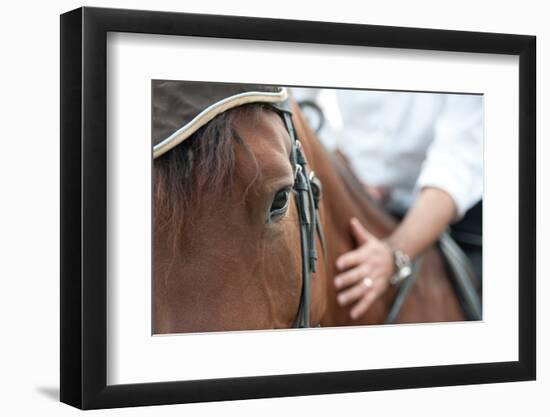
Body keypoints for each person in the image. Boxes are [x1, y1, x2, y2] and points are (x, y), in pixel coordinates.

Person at [292, 88, 483, 320]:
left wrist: (395, 253)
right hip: (353, 184)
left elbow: (458, 160)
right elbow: (296, 97)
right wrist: (337, 159)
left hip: (446, 201)